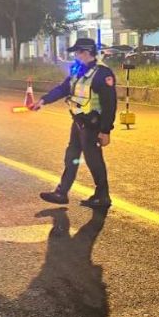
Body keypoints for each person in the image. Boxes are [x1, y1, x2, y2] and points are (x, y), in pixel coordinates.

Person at [33, 38, 117, 209]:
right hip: (78, 121)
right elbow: (63, 88)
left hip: (92, 125)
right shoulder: (78, 70)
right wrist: (43, 100)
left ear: (86, 52)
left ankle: (103, 196)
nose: (75, 55)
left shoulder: (102, 73)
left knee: (94, 161)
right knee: (71, 156)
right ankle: (61, 192)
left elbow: (110, 104)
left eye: (77, 52)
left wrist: (105, 130)